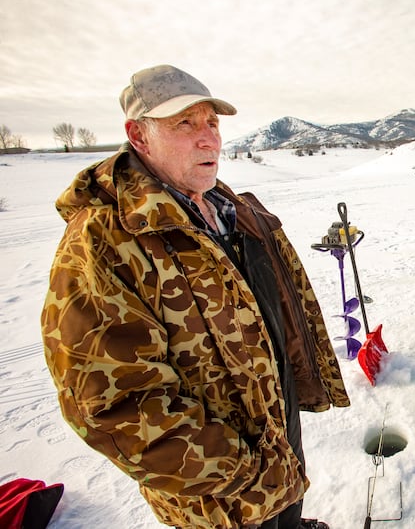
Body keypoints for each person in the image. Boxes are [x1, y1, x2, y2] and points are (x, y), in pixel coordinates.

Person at [41, 64, 350, 528]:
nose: (209, 139)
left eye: (211, 123)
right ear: (138, 136)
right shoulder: (105, 241)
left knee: (287, 512)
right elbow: (115, 408)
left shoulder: (230, 207)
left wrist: (298, 397)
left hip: (276, 434)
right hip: (217, 491)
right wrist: (245, 472)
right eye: (184, 124)